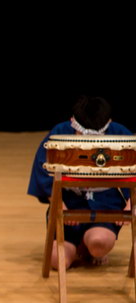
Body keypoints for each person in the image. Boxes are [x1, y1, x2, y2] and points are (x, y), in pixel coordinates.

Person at [28, 96, 133, 268]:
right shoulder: (59, 133)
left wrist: (131, 203)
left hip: (105, 203)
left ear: (108, 122)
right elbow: (43, 171)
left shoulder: (120, 133)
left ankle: (91, 246)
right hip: (70, 201)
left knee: (99, 244)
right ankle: (77, 247)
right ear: (73, 121)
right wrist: (59, 205)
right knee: (56, 261)